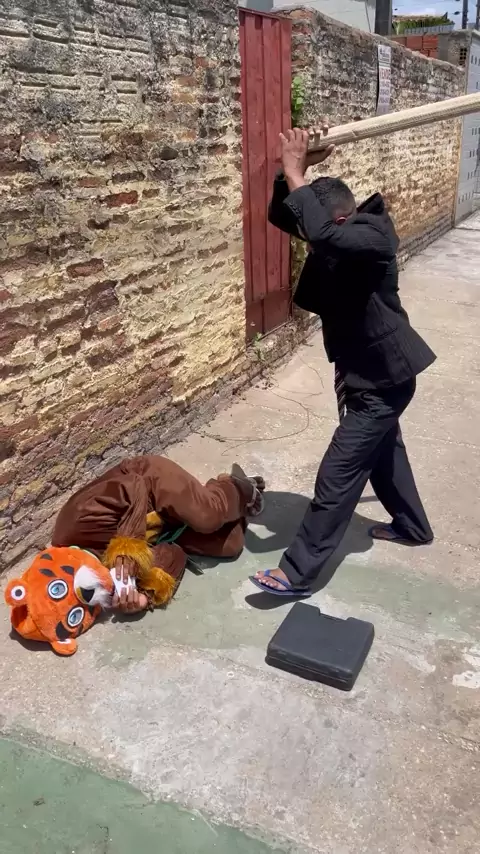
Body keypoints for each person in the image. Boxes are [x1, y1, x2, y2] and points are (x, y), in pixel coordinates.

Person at [250, 126, 435, 597]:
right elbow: (284, 216)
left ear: (339, 217)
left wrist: (297, 174)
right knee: (385, 455)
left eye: (316, 229)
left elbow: (324, 236)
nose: (308, 241)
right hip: (365, 375)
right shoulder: (335, 232)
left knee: (340, 472)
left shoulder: (372, 234)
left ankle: (296, 573)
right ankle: (413, 526)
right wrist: (290, 174)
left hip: (384, 380)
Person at [52, 455, 264, 612]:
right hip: (161, 526)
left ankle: (233, 486)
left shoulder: (74, 524)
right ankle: (214, 498)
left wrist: (127, 548)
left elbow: (134, 485)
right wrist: (144, 596)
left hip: (150, 481)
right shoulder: (108, 580)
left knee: (206, 517)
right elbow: (174, 552)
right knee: (230, 545)